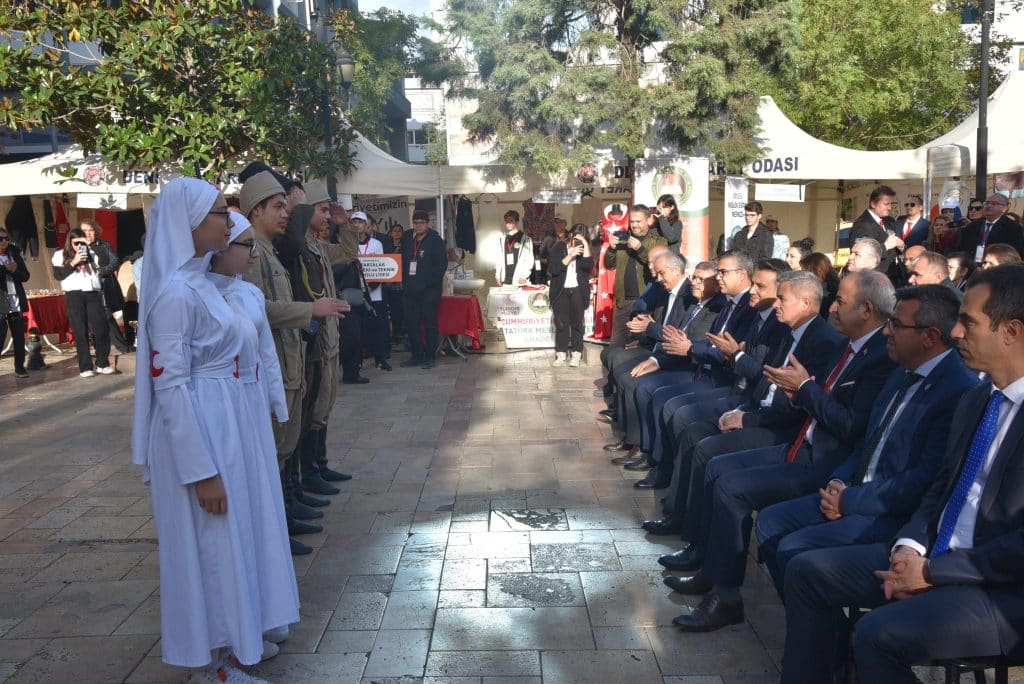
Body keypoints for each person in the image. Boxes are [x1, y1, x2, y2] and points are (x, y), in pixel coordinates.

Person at [778, 264, 1024, 683]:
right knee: (806, 571)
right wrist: (910, 548)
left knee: (878, 635)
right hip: (934, 557)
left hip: (1000, 591)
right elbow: (943, 488)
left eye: (968, 322)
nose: (957, 334)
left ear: (1011, 332)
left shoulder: (962, 390)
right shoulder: (979, 401)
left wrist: (932, 574)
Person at [130, 177, 298, 682]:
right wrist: (201, 470)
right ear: (189, 225)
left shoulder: (205, 286)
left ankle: (233, 643)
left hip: (224, 427)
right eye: (218, 215)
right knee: (207, 546)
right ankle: (210, 665)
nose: (229, 222)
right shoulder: (175, 295)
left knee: (228, 541)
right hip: (199, 433)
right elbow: (172, 388)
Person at [756, 285, 977, 596]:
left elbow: (923, 481)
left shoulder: (958, 390)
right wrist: (838, 483)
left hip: (888, 513)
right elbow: (867, 441)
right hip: (854, 490)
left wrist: (848, 501)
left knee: (796, 550)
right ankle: (812, 620)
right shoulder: (901, 371)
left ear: (929, 337)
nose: (886, 332)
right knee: (770, 521)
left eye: (896, 325)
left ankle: (821, 630)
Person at [52, 227, 113, 377]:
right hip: (74, 294)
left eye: (82, 242)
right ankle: (85, 367)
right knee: (80, 331)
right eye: (75, 243)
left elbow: (105, 260)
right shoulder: (60, 255)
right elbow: (59, 276)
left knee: (101, 328)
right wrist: (73, 262)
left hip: (92, 293)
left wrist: (90, 245)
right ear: (69, 243)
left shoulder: (92, 252)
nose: (79, 246)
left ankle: (102, 363)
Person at [604, 205, 668, 346]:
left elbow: (658, 265)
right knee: (616, 346)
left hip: (646, 302)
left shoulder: (658, 241)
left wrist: (640, 249)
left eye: (638, 221)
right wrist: (612, 248)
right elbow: (609, 265)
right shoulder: (623, 238)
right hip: (623, 301)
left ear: (648, 220)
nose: (634, 225)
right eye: (632, 221)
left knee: (640, 346)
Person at [80, 219, 131, 368]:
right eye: (84, 231)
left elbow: (115, 261)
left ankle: (122, 347)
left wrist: (100, 272)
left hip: (104, 287)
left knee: (107, 315)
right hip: (87, 290)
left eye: (90, 230)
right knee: (94, 321)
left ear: (95, 231)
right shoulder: (78, 248)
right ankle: (103, 352)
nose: (88, 234)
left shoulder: (104, 245)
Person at [400, 209, 447, 369]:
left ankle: (430, 356)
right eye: (416, 222)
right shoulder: (407, 238)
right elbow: (400, 260)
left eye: (421, 223)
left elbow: (441, 266)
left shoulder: (435, 240)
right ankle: (416, 355)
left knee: (429, 324)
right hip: (410, 290)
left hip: (429, 291)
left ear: (427, 223)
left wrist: (426, 284)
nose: (418, 226)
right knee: (411, 324)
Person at [548, 222, 593, 367]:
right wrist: (571, 254)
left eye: (583, 238)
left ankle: (576, 354)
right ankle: (561, 354)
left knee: (577, 323)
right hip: (561, 290)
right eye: (577, 238)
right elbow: (554, 269)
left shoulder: (584, 251)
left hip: (578, 290)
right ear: (571, 235)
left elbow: (587, 266)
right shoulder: (559, 247)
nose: (578, 242)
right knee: (561, 324)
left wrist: (585, 245)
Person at [954, 193, 1024, 262]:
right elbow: (961, 249)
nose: (989, 206)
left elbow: (1015, 253)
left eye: (994, 203)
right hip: (972, 266)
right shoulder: (972, 226)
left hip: (998, 267)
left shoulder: (1013, 228)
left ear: (1004, 208)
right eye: (987, 203)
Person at [849, 185, 900, 275]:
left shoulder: (888, 220)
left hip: (891, 275)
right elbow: (860, 254)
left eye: (891, 204)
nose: (890, 208)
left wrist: (901, 245)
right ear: (873, 204)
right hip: (873, 278)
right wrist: (886, 246)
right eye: (886, 204)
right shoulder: (862, 224)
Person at [0, 227, 29, 378]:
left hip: (15, 298)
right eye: (1, 239)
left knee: (18, 334)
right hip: (1, 299)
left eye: (6, 238)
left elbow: (25, 276)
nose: (4, 241)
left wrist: (13, 271)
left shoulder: (14, 252)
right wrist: (5, 269)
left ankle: (19, 367)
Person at [494, 210, 534, 287]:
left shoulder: (526, 239)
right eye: (506, 221)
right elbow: (499, 258)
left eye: (511, 221)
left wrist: (524, 275)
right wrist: (498, 276)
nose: (508, 223)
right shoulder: (502, 239)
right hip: (505, 279)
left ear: (517, 221)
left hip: (519, 279)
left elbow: (529, 259)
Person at [386, 223, 405, 340]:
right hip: (388, 283)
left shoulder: (405, 246)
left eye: (399, 230)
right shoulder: (386, 246)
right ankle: (396, 333)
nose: (397, 232)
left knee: (402, 309)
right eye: (395, 230)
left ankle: (402, 332)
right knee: (393, 310)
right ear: (391, 233)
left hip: (401, 283)